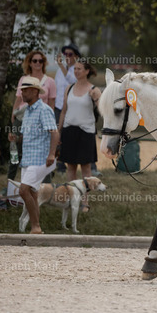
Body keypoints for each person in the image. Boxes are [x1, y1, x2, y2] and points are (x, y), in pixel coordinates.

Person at [8, 76, 59, 234]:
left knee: (23, 190)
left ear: (35, 91)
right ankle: (36, 228)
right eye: (22, 90)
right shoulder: (27, 111)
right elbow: (27, 136)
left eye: (25, 90)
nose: (22, 93)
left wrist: (51, 154)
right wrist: (16, 138)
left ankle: (36, 226)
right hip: (28, 159)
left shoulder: (44, 110)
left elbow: (54, 132)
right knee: (32, 193)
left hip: (41, 159)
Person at [58, 61, 101, 212]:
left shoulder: (94, 89)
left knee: (86, 168)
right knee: (70, 167)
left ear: (87, 71)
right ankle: (72, 199)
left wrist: (96, 99)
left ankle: (85, 202)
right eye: (75, 69)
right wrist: (59, 131)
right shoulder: (69, 88)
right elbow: (63, 111)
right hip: (69, 130)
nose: (76, 71)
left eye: (79, 69)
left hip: (86, 132)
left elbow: (102, 110)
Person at [9, 50, 57, 181]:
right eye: (34, 60)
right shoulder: (23, 79)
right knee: (15, 149)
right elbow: (18, 98)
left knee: (41, 146)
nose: (37, 63)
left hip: (40, 116)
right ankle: (11, 180)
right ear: (29, 63)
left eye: (40, 61)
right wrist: (13, 114)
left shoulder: (50, 81)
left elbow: (51, 103)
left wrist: (51, 121)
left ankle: (45, 179)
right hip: (22, 115)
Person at [55, 44, 80, 173]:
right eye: (65, 54)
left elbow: (72, 81)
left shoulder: (78, 70)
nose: (67, 57)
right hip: (58, 107)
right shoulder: (59, 71)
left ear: (76, 56)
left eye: (70, 54)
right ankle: (60, 165)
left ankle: (73, 162)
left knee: (70, 136)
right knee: (57, 135)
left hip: (71, 109)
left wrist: (60, 65)